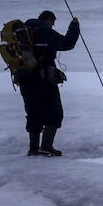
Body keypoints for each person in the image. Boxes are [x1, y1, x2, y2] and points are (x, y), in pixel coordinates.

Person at [19, 9, 80, 156]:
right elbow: (67, 43)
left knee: (33, 112)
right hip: (42, 80)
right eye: (53, 22)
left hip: (24, 79)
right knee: (54, 112)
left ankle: (33, 148)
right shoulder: (44, 31)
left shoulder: (23, 33)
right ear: (48, 20)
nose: (53, 25)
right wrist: (74, 27)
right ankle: (46, 146)